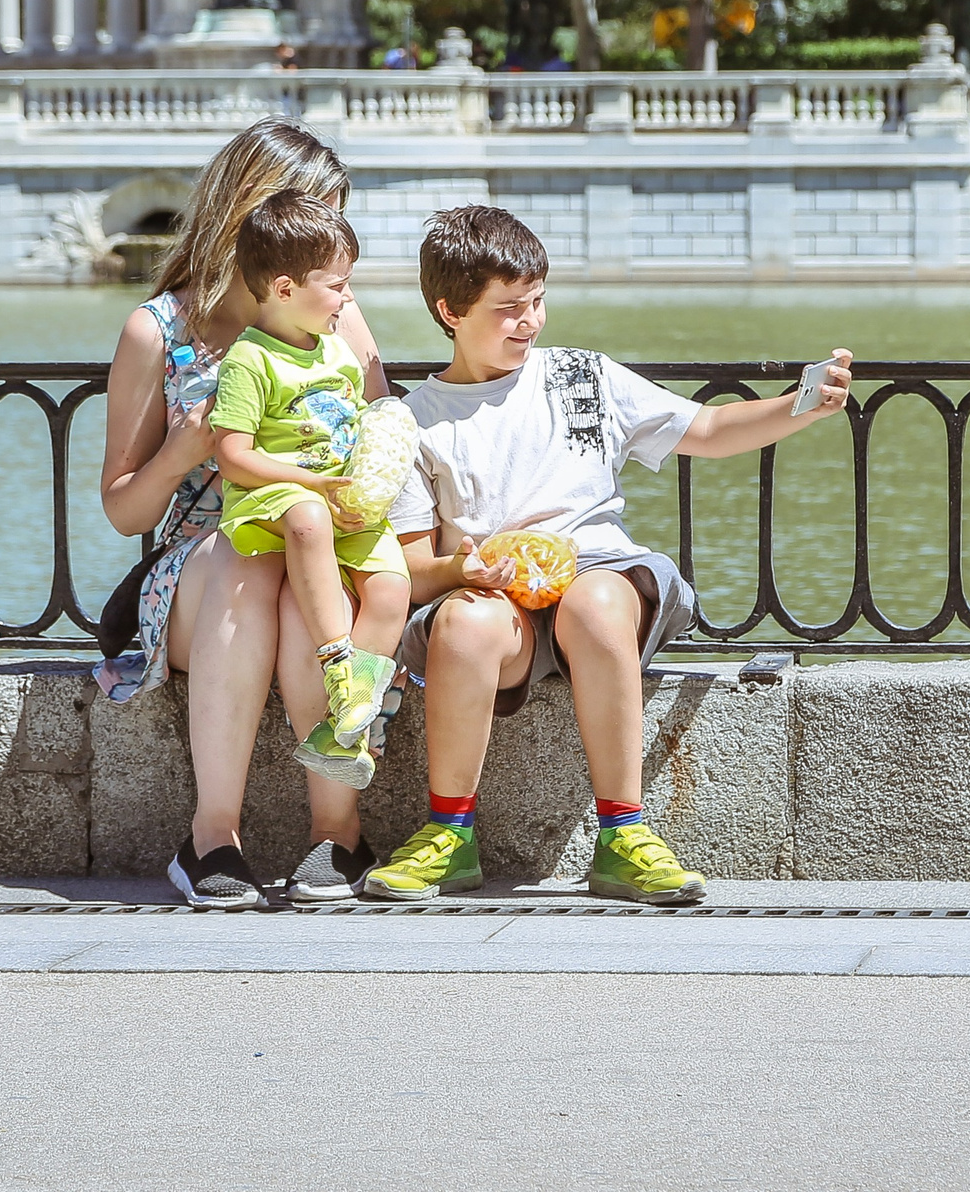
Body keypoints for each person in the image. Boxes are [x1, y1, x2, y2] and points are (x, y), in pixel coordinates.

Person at [366, 206, 852, 906]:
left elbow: (708, 429)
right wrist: (462, 571)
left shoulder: (581, 377)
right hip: (492, 600)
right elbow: (413, 567)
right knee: (465, 622)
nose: (530, 321)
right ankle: (450, 835)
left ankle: (624, 834)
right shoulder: (418, 420)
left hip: (600, 575)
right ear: (449, 309)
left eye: (536, 301)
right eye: (508, 309)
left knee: (593, 604)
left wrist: (800, 406)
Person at [96, 119, 394, 910]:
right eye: (312, 219)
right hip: (202, 569)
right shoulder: (159, 330)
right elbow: (125, 510)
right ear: (251, 217)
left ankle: (339, 834)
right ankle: (212, 838)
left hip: (318, 550)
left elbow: (386, 448)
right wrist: (183, 453)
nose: (329, 253)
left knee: (302, 572)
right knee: (243, 558)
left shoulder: (340, 322)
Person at [207, 191, 411, 789]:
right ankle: (338, 663)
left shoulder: (339, 354)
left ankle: (346, 720)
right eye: (338, 285)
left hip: (336, 498)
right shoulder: (250, 358)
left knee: (393, 588)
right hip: (275, 496)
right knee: (308, 521)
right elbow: (232, 455)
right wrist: (310, 482)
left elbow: (356, 427)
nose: (348, 299)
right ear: (286, 288)